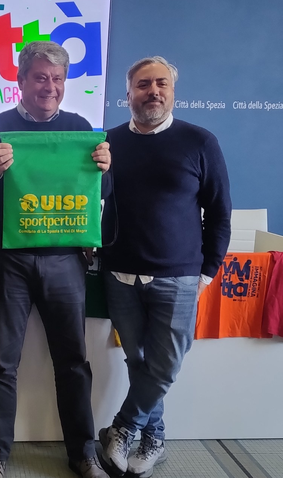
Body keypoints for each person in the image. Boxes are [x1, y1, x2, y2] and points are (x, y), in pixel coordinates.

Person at [0, 41, 111, 478]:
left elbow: (99, 195)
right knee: (1, 363)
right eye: (41, 77)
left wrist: (106, 170)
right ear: (21, 80)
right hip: (6, 259)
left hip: (64, 259)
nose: (50, 87)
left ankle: (83, 453)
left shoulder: (80, 128)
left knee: (73, 361)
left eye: (57, 79)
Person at [98, 56, 232, 477]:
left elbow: (220, 212)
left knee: (164, 365)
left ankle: (123, 427)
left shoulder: (200, 141)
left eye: (161, 84)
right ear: (128, 94)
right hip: (119, 273)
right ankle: (154, 437)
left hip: (180, 276)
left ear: (173, 92)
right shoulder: (106, 143)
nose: (152, 91)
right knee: (138, 362)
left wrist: (207, 271)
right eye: (143, 84)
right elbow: (86, 199)